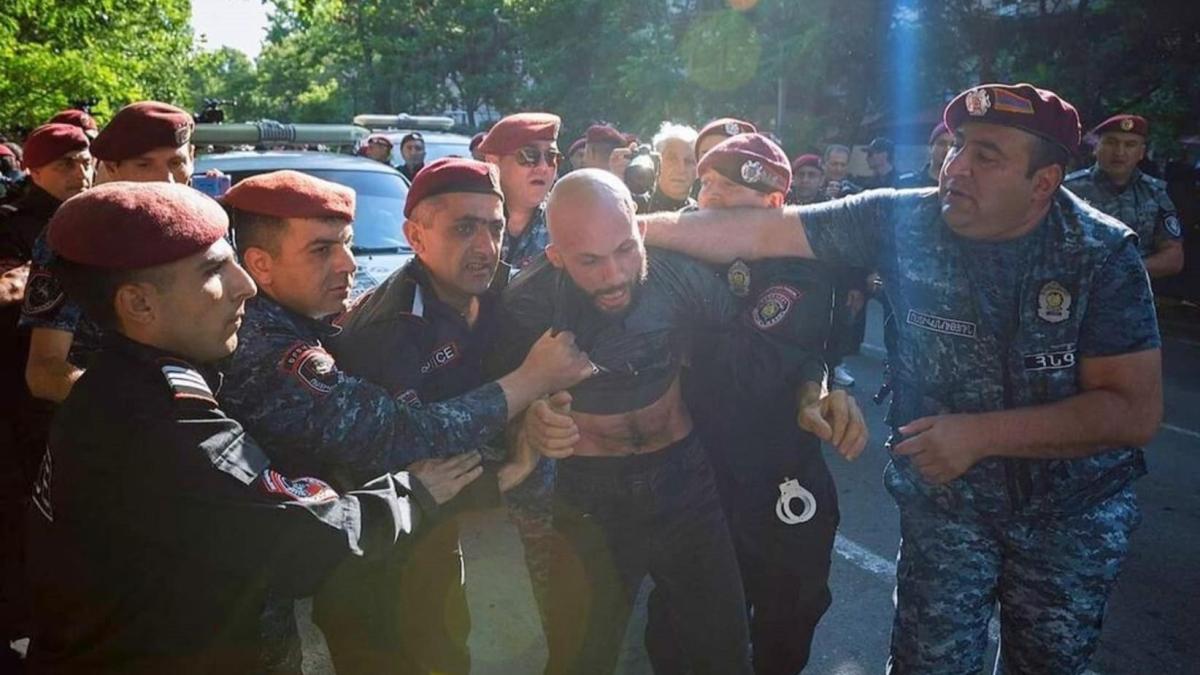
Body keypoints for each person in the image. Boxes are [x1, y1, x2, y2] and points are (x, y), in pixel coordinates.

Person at [640, 82, 1162, 675]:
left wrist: (979, 436)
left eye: (986, 156)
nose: (956, 166)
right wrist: (606, 232)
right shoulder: (899, 218)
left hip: (1070, 518)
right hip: (948, 508)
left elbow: (1132, 410)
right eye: (959, 146)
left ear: (1043, 182)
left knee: (1048, 663)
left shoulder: (1101, 253)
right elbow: (755, 231)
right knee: (927, 664)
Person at [24, 181, 464, 674]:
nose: (246, 285)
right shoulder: (166, 419)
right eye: (214, 270)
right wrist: (414, 492)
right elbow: (307, 540)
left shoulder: (114, 383)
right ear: (139, 305)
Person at [217, 169, 592, 672]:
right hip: (344, 566)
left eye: (347, 244)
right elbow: (402, 436)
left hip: (378, 540)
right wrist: (531, 385)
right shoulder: (280, 352)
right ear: (260, 265)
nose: (349, 265)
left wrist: (534, 415)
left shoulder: (303, 317)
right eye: (321, 250)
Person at [496, 169, 858, 675]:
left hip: (684, 485)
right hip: (589, 499)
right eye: (590, 261)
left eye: (625, 250)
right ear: (556, 256)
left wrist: (817, 389)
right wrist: (530, 423)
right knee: (580, 656)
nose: (615, 275)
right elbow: (498, 404)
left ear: (641, 231)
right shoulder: (527, 301)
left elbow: (769, 351)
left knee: (723, 652)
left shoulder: (678, 276)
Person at [327, 157, 563, 673]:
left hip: (438, 531)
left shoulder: (508, 289)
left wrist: (544, 410)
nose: (485, 246)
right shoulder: (386, 330)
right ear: (416, 236)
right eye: (464, 228)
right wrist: (510, 471)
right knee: (400, 642)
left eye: (494, 228)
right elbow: (412, 456)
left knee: (447, 641)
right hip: (383, 538)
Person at [647, 133, 864, 675]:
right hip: (696, 479)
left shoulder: (798, 268)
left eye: (729, 192)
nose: (709, 202)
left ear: (773, 206)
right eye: (707, 187)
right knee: (679, 631)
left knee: (786, 622)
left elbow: (751, 368)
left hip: (776, 482)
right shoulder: (672, 251)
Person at [21, 101, 196, 406]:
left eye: (176, 163)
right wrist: (137, 407)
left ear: (193, 158)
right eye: (144, 165)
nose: (165, 179)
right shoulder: (74, 236)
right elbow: (44, 370)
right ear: (113, 168)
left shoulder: (208, 224)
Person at [0, 121, 92, 672]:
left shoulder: (91, 218)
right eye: (65, 165)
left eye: (83, 162)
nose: (77, 174)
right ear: (33, 168)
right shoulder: (12, 221)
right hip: (22, 393)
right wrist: (41, 272)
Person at [1065, 114, 1184, 278]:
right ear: (1096, 147)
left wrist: (1125, 270)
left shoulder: (1155, 193)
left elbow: (1173, 257)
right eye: (1111, 142)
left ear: (1141, 152)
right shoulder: (1068, 190)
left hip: (1137, 296)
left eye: (1130, 145)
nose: (1119, 152)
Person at [479, 112, 561, 272]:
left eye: (552, 157)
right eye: (529, 155)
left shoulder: (562, 225)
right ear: (493, 162)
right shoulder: (470, 217)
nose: (544, 167)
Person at [643, 122, 698, 213]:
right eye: (672, 159)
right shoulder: (636, 207)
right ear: (657, 162)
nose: (681, 168)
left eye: (689, 161)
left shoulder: (702, 214)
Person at [899, 122, 952, 188]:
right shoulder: (907, 183)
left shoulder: (961, 187)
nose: (948, 150)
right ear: (930, 148)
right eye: (942, 144)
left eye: (953, 145)